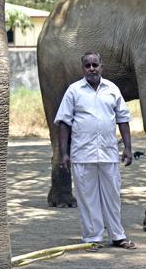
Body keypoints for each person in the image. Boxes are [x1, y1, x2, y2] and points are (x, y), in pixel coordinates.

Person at [54, 51, 137, 251]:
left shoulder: (112, 89)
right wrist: (63, 152)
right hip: (82, 153)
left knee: (113, 196)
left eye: (95, 65)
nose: (92, 68)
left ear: (102, 66)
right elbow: (64, 122)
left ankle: (118, 236)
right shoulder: (74, 91)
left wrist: (127, 147)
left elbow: (123, 119)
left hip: (108, 153)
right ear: (82, 68)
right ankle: (93, 238)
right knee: (87, 197)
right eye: (88, 65)